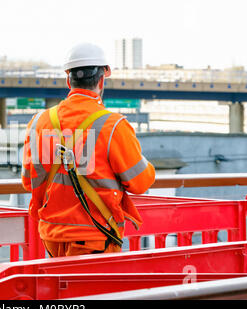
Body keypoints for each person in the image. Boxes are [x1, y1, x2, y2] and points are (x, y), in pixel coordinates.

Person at [21, 43, 155, 257]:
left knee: (60, 290)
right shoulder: (113, 126)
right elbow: (140, 182)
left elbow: (29, 181)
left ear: (68, 80)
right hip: (96, 237)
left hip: (52, 237)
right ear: (102, 79)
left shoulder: (39, 122)